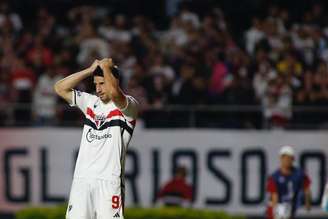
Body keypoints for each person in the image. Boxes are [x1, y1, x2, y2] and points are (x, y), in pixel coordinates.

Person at [54, 58, 138, 219]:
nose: (98, 89)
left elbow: (114, 93)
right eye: (96, 84)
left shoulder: (129, 107)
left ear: (114, 81)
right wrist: (90, 70)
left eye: (102, 83)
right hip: (82, 180)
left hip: (109, 181)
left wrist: (106, 67)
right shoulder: (91, 103)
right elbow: (60, 88)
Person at [266, 145, 311, 219]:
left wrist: (308, 204)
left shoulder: (299, 174)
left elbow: (307, 189)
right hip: (278, 207)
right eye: (284, 157)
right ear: (280, 158)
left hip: (291, 206)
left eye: (289, 158)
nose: (286, 160)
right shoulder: (274, 177)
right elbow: (274, 196)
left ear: (293, 159)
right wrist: (276, 212)